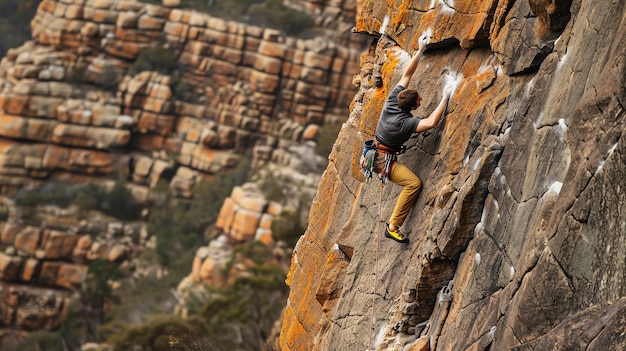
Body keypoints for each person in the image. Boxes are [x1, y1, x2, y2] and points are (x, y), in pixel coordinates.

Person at [373, 36, 452, 244]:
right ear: (413, 107)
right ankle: (393, 227)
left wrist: (420, 49)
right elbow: (432, 122)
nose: (421, 101)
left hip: (375, 151)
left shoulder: (394, 98)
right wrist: (446, 97)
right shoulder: (404, 123)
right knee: (413, 184)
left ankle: (393, 225)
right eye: (419, 101)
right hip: (383, 160)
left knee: (411, 182)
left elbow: (407, 73)